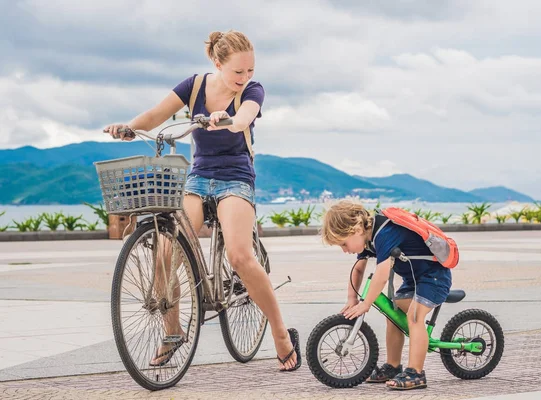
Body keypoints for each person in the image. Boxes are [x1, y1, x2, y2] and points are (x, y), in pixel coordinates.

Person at [104, 30, 300, 372]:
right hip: (197, 177)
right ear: (217, 63)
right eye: (238, 71)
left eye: (250, 70)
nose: (245, 78)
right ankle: (173, 331)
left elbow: (244, 119)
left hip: (236, 177)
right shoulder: (194, 86)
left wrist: (227, 119)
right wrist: (130, 127)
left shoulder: (252, 91)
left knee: (240, 255)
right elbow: (155, 115)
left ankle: (281, 333)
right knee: (165, 251)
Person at [320, 200, 452, 390]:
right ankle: (392, 366)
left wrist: (366, 304)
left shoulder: (384, 233)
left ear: (356, 229)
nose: (344, 250)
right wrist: (352, 299)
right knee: (393, 314)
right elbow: (358, 270)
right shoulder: (368, 239)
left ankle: (416, 373)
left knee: (414, 317)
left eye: (343, 243)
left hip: (434, 277)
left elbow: (382, 275)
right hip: (413, 280)